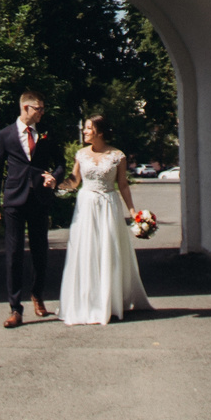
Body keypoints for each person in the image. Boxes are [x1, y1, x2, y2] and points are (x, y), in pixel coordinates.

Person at [57, 113, 151, 325]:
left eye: (88, 128)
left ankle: (110, 302)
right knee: (87, 251)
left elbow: (123, 185)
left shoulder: (118, 156)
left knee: (109, 250)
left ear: (99, 131)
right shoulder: (81, 154)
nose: (84, 131)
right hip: (87, 206)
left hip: (109, 205)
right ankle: (88, 302)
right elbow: (74, 181)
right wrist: (55, 184)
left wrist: (134, 212)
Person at [0, 89, 65, 329]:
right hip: (13, 200)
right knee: (13, 255)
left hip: (39, 199)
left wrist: (54, 177)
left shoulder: (47, 133)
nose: (42, 113)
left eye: (43, 109)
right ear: (25, 108)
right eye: (38, 109)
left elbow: (61, 164)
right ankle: (15, 308)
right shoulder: (6, 135)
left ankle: (37, 295)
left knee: (40, 251)